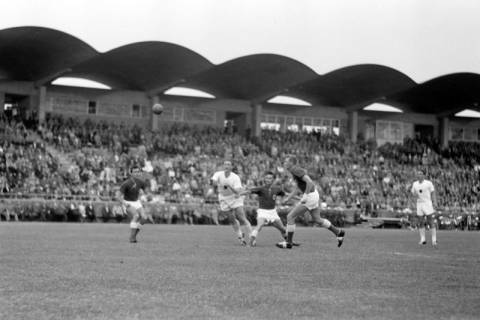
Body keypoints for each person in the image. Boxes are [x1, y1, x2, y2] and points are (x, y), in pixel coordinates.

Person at [276, 156, 345, 249]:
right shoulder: (294, 171)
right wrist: (289, 198)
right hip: (313, 194)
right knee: (317, 219)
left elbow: (310, 182)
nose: (284, 162)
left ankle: (288, 243)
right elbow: (298, 187)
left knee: (290, 217)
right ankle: (338, 232)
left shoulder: (295, 169)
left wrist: (305, 195)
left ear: (291, 163)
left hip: (310, 196)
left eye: (286, 161)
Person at [240, 171, 299, 247]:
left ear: (273, 179)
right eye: (267, 178)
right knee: (259, 225)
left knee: (283, 229)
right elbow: (249, 191)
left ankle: (289, 242)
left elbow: (287, 195)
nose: (268, 179)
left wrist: (299, 198)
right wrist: (239, 194)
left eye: (270, 178)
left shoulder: (277, 189)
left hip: (273, 212)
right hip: (262, 212)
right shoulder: (261, 188)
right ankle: (250, 243)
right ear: (264, 179)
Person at [211, 160, 252, 246]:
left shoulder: (235, 177)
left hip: (235, 197)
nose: (226, 166)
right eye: (225, 164)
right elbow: (213, 182)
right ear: (223, 166)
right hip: (223, 198)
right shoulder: (218, 174)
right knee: (232, 219)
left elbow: (237, 192)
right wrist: (216, 183)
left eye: (228, 164)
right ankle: (240, 236)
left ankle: (252, 237)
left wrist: (229, 186)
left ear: (231, 167)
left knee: (242, 217)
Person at [119, 166, 152, 243]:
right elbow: (117, 196)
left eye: (138, 171)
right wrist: (124, 203)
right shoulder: (126, 183)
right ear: (131, 173)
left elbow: (147, 192)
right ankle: (132, 238)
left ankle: (133, 235)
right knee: (136, 216)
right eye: (135, 172)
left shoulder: (141, 182)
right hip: (127, 202)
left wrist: (149, 195)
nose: (137, 173)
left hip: (136, 202)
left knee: (144, 218)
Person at [411, 169, 438, 247]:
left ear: (423, 175)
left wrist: (434, 202)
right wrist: (414, 197)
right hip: (419, 204)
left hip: (427, 203)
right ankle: (423, 239)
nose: (419, 175)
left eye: (420, 174)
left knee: (430, 221)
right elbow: (413, 193)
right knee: (420, 222)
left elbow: (433, 192)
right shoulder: (414, 184)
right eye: (418, 174)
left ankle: (434, 240)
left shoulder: (428, 183)